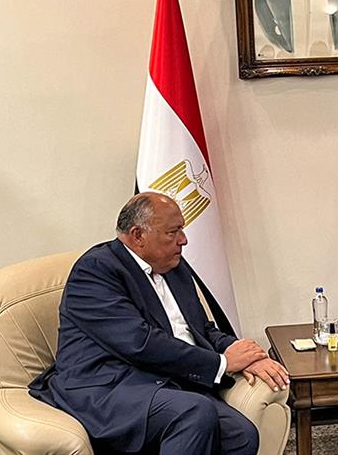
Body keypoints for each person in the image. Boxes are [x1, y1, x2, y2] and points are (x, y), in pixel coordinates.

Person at [30, 192, 290, 455]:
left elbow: (200, 329)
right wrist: (222, 363)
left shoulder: (174, 266)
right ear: (138, 235)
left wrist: (243, 353)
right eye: (172, 232)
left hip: (163, 381)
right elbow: (139, 342)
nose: (183, 239)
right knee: (193, 412)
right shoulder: (96, 270)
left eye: (182, 229)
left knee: (241, 435)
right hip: (108, 387)